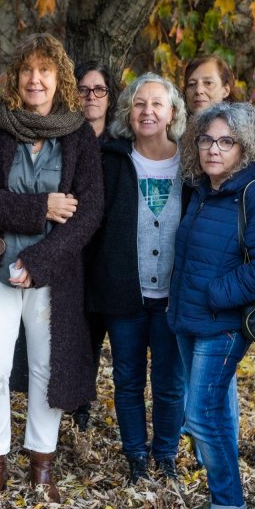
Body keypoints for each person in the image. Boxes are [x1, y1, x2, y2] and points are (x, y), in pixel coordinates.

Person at [0, 33, 104, 504]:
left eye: (46, 71)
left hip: (52, 276)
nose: (36, 79)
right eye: (28, 70)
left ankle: (41, 464)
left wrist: (39, 261)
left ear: (60, 79)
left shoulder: (78, 134)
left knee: (46, 369)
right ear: (16, 77)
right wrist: (39, 208)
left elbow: (90, 211)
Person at [169, 102, 255, 509]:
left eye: (226, 142)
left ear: (244, 146)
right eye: (206, 139)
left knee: (203, 414)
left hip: (223, 323)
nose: (213, 149)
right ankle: (223, 500)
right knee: (201, 412)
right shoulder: (202, 188)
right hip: (190, 318)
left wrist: (214, 295)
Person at [85, 73, 188, 485]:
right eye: (140, 104)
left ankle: (165, 455)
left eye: (157, 104)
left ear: (172, 113)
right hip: (125, 292)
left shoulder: (192, 164)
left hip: (173, 296)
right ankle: (136, 459)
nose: (148, 111)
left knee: (169, 382)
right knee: (127, 379)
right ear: (129, 112)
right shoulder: (111, 159)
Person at [72, 59, 119, 431]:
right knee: (76, 335)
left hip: (109, 254)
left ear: (109, 96)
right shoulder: (64, 141)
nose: (91, 96)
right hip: (71, 253)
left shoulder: (119, 147)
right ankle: (77, 404)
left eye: (99, 89)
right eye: (84, 89)